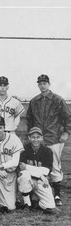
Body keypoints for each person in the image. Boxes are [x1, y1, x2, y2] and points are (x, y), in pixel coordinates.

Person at [27, 74, 71, 206]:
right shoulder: (34, 101)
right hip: (38, 140)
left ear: (49, 84)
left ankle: (57, 195)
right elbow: (29, 119)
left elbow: (68, 118)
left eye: (44, 83)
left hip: (53, 138)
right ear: (38, 85)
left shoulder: (58, 100)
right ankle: (36, 194)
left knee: (55, 166)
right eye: (40, 83)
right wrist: (32, 136)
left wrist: (66, 132)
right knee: (37, 166)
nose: (42, 85)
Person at [17, 127, 58, 214]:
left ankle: (36, 202)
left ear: (42, 138)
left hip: (41, 180)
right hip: (30, 179)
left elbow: (46, 170)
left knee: (50, 206)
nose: (35, 140)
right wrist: (40, 174)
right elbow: (21, 167)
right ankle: (27, 204)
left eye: (38, 137)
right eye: (33, 137)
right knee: (24, 176)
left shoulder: (47, 151)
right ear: (29, 138)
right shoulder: (24, 149)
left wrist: (28, 168)